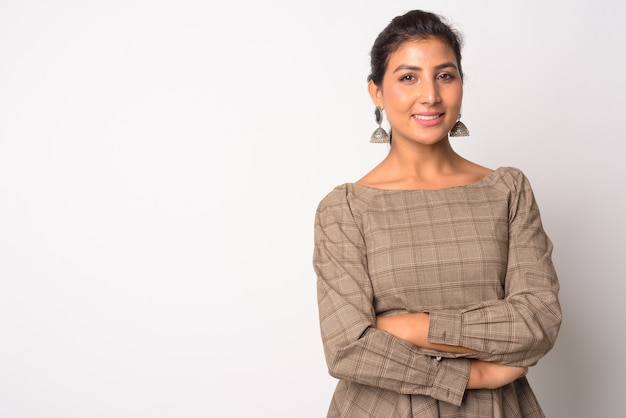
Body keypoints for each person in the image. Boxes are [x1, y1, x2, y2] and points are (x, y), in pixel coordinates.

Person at [312, 9, 562, 417]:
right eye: (408, 77)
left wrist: (408, 327)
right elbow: (347, 347)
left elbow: (538, 322)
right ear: (376, 92)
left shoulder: (507, 191)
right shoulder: (345, 209)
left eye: (445, 75)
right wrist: (470, 377)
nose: (430, 95)